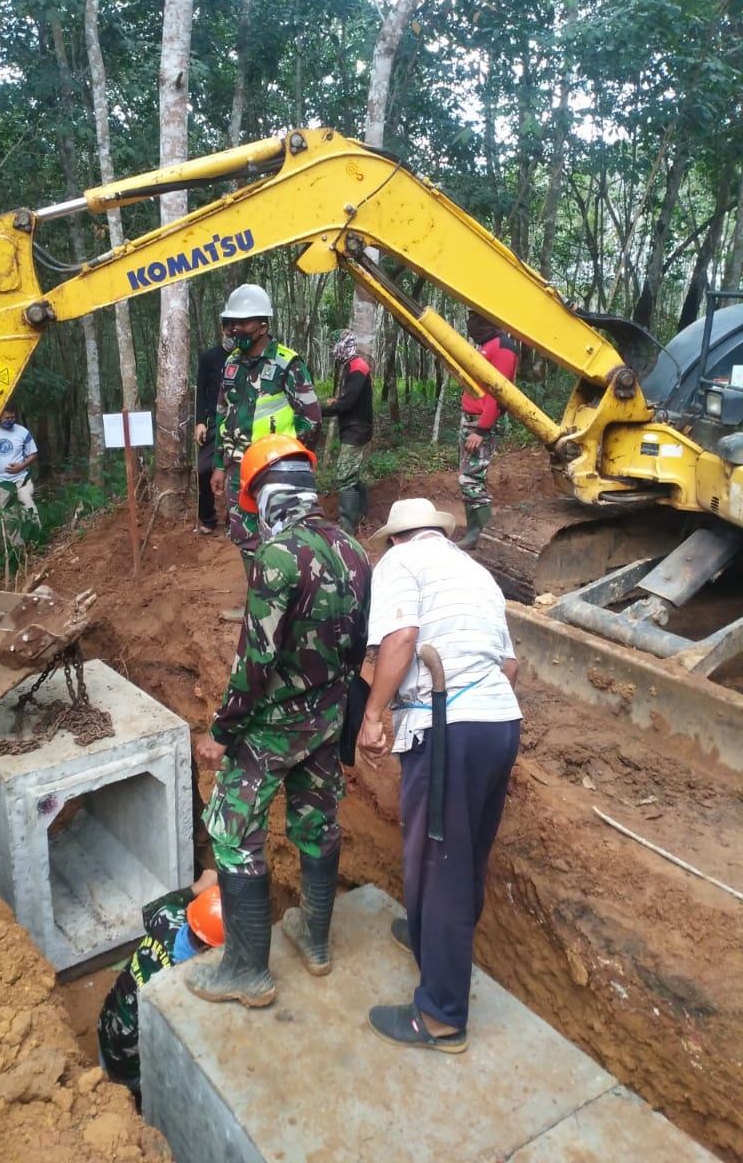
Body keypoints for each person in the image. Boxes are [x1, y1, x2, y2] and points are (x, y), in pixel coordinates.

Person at [187, 433, 371, 1009]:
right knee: (317, 823)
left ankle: (246, 972)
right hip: (327, 719)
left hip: (271, 728)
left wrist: (220, 732)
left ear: (268, 497)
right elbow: (360, 645)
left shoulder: (276, 558)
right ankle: (315, 944)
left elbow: (255, 661)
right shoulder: (356, 552)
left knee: (232, 832)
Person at [356, 498, 521, 1052]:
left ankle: (442, 1016)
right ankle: (433, 940)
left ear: (395, 539)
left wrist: (374, 715)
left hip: (449, 730)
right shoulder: (477, 573)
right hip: (499, 724)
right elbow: (510, 666)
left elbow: (400, 641)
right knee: (463, 855)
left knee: (439, 863)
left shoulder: (399, 565)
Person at [210, 284, 322, 563]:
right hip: (239, 469)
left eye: (244, 322)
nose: (237, 329)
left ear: (262, 325)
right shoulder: (231, 364)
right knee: (246, 537)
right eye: (233, 323)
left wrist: (294, 463)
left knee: (284, 534)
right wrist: (220, 465)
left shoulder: (286, 363)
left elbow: (311, 418)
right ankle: (259, 599)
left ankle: (289, 599)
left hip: (277, 468)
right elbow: (222, 413)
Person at [97, 870, 222, 1097]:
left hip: (107, 1027)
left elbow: (152, 908)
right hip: (132, 1065)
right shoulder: (192, 981)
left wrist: (199, 888)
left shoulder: (168, 918)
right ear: (207, 948)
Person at [458, 312, 519, 549]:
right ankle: (474, 532)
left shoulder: (503, 347)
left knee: (471, 479)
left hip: (481, 424)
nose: (471, 323)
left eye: (475, 317)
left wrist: (482, 430)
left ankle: (486, 539)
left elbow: (498, 392)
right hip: (470, 420)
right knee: (466, 478)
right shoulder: (487, 344)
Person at [321, 329, 373, 535]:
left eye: (336, 345)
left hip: (357, 429)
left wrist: (320, 411)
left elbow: (347, 402)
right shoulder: (350, 366)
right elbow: (348, 398)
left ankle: (347, 526)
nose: (334, 350)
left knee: (344, 475)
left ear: (345, 344)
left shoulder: (357, 368)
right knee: (351, 473)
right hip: (353, 427)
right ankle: (361, 512)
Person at [194, 335, 232, 534]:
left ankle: (233, 519)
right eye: (228, 329)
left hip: (239, 422)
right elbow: (200, 391)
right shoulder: (210, 357)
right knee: (203, 469)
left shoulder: (246, 357)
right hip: (214, 423)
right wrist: (200, 421)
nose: (232, 334)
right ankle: (208, 518)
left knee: (237, 470)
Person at [0, 406, 40, 545]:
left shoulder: (22, 431)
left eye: (12, 418)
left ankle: (36, 541)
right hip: (1, 482)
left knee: (28, 506)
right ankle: (19, 550)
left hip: (22, 478)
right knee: (9, 517)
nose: (10, 420)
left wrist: (22, 466)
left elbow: (33, 453)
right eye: (7, 418)